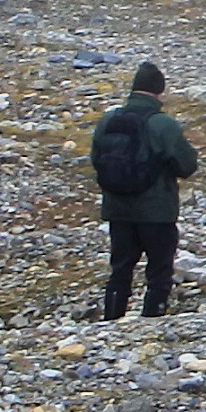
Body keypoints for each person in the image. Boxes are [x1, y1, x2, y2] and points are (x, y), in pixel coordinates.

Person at [86, 63, 196, 320]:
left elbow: (96, 159)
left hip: (117, 209)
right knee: (159, 271)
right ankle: (151, 322)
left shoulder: (108, 120)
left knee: (120, 268)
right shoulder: (163, 125)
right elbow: (187, 165)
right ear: (160, 91)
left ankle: (111, 319)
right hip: (156, 212)